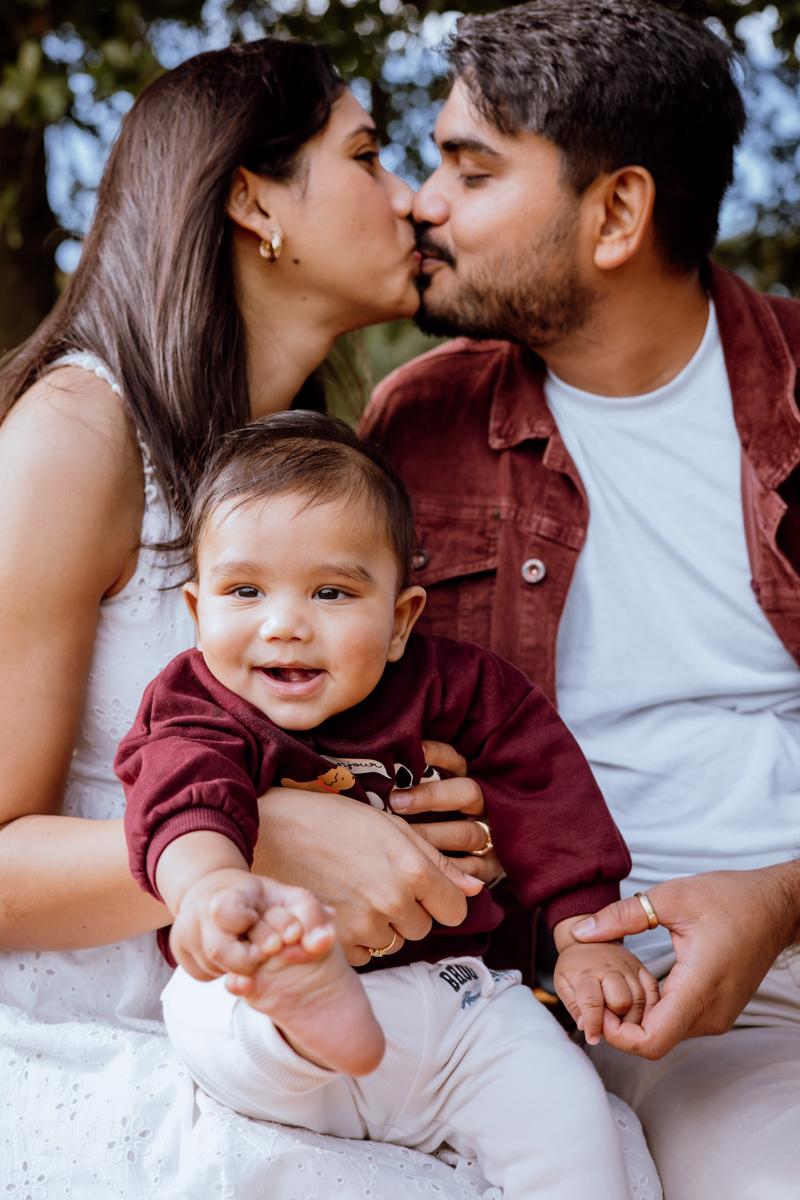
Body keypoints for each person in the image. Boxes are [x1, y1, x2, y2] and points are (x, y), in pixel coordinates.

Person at [0, 37, 548, 1199]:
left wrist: (416, 818)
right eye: (365, 155)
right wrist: (255, 836)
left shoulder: (318, 475)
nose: (410, 198)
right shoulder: (76, 441)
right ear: (253, 202)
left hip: (311, 1036)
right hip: (105, 1054)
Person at [362, 0, 800, 1195]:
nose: (420, 201)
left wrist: (779, 898)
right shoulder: (419, 420)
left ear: (614, 212)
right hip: (572, 978)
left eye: (470, 168)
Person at [116, 410, 648, 1199]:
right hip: (266, 1008)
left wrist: (585, 934)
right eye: (245, 590)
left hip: (452, 1003)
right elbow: (184, 793)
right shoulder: (202, 702)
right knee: (213, 1023)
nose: (285, 623)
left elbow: (544, 788)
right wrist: (209, 890)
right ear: (198, 615)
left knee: (569, 1119)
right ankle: (299, 989)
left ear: (401, 621)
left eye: (331, 591)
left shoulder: (456, 686)